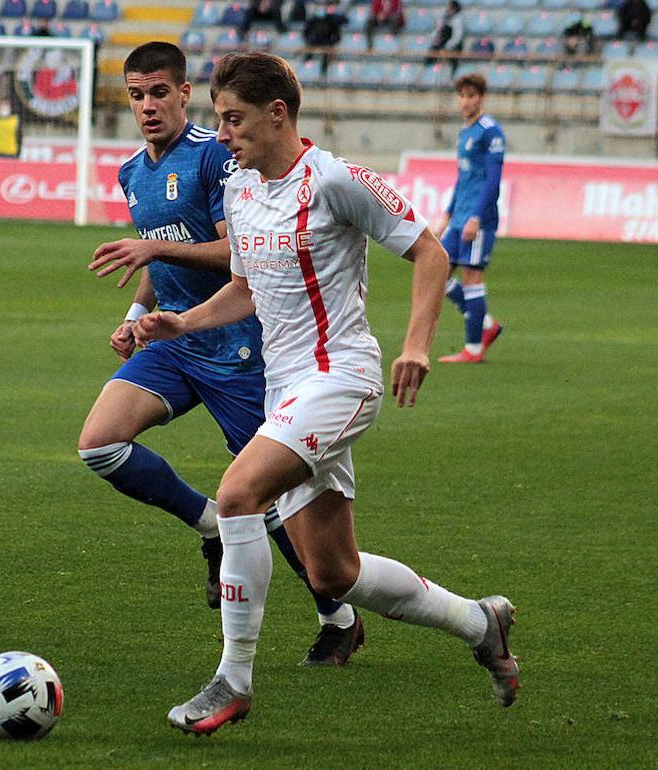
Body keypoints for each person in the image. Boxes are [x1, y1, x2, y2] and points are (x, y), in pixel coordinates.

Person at [137, 52, 519, 735]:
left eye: (233, 120)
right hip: (285, 388)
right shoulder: (241, 190)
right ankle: (478, 621)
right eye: (219, 120)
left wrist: (416, 344)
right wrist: (181, 323)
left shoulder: (336, 181)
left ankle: (232, 680)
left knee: (235, 495)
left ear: (277, 113)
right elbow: (248, 290)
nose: (221, 135)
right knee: (333, 573)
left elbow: (430, 251)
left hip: (341, 376)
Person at [81, 42, 365, 667]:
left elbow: (234, 256)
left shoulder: (220, 159)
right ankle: (209, 524)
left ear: (185, 94)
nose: (147, 106)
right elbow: (157, 250)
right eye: (136, 95)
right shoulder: (133, 171)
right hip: (176, 342)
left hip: (239, 351)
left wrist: (153, 252)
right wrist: (135, 317)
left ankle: (337, 615)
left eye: (159, 92)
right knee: (99, 443)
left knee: (279, 500)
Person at [434, 72, 505, 364]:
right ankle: (485, 323)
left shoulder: (491, 132)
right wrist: (448, 216)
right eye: (462, 96)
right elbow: (463, 179)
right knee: (439, 273)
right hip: (460, 215)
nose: (465, 101)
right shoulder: (465, 132)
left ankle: (473, 348)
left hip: (479, 218)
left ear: (481, 98)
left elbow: (492, 180)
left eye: (471, 96)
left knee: (472, 275)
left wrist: (477, 216)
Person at [301, 2, 348, 75]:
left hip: (326, 42)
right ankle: (303, 69)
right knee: (308, 53)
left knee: (326, 55)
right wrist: (308, 39)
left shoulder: (331, 20)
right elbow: (305, 32)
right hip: (314, 41)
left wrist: (332, 42)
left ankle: (323, 73)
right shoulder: (313, 20)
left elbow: (338, 30)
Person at [425, 0, 463, 70]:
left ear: (454, 9)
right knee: (430, 55)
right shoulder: (444, 18)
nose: (447, 9)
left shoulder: (458, 20)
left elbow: (456, 38)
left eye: (449, 7)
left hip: (452, 46)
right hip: (441, 43)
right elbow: (437, 31)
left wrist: (446, 48)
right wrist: (434, 39)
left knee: (449, 57)